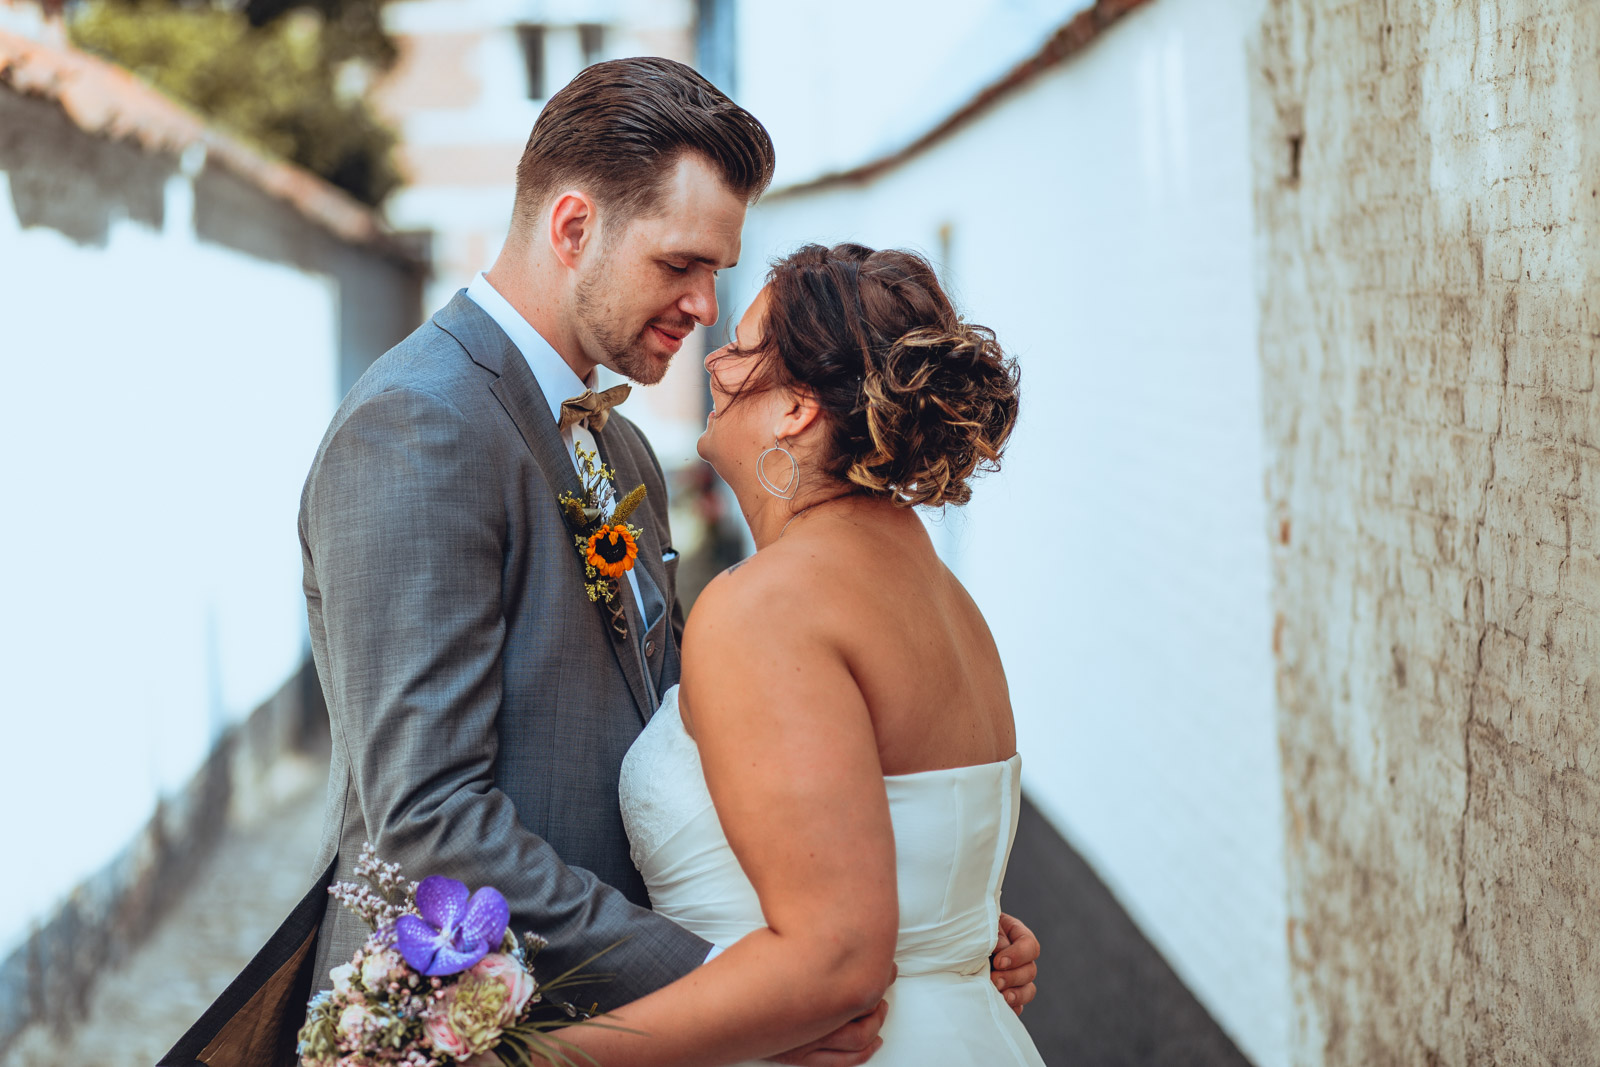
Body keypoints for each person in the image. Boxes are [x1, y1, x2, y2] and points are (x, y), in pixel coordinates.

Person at [160, 59, 1037, 1067]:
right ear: (572, 228)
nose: (707, 306)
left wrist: (929, 923)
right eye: (681, 265)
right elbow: (428, 822)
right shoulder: (418, 425)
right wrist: (737, 986)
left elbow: (717, 750)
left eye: (719, 272)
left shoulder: (621, 451)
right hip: (485, 1021)